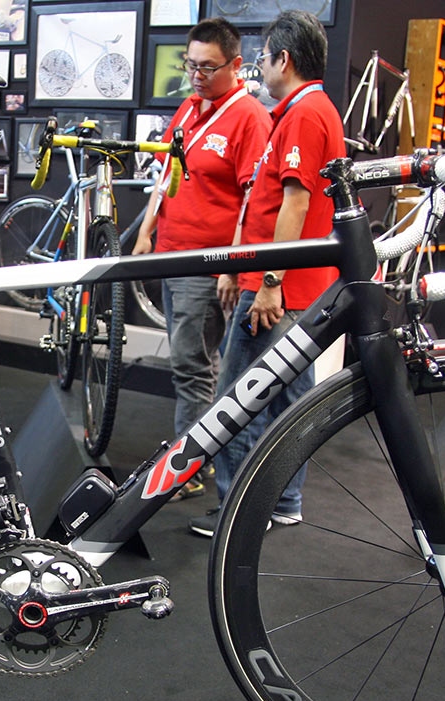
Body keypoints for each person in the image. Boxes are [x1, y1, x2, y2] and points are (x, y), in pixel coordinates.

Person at [189, 10, 346, 537]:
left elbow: (294, 204)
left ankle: (236, 513)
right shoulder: (307, 111)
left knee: (236, 400)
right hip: (289, 286)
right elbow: (265, 199)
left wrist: (270, 282)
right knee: (288, 400)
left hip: (280, 290)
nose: (261, 67)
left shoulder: (305, 114)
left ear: (284, 58)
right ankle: (285, 501)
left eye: (263, 58)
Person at [132, 18, 271, 501]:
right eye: (190, 65)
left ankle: (187, 469)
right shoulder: (190, 108)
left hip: (205, 261)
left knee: (192, 365)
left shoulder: (249, 117)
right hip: (171, 253)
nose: (196, 75)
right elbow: (166, 172)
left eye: (207, 67)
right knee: (192, 360)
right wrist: (147, 231)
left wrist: (232, 264)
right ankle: (195, 456)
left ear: (235, 65)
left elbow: (254, 198)